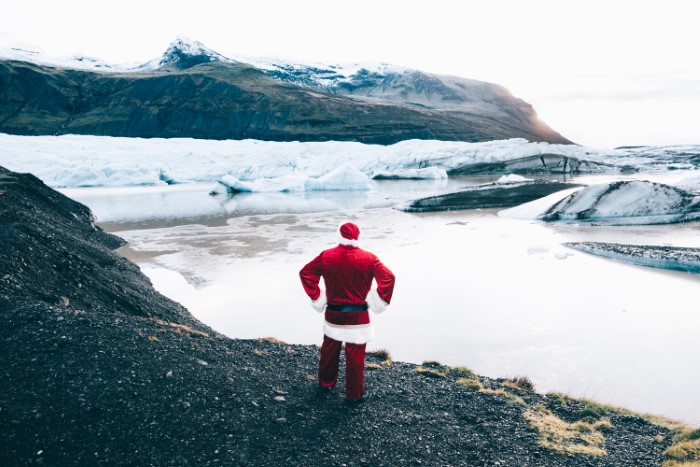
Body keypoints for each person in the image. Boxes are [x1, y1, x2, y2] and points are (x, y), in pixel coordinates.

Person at [299, 221, 395, 402]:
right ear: (359, 237)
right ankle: (354, 394)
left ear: (339, 236)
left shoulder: (326, 256)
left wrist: (318, 296)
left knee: (329, 350)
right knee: (355, 356)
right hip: (358, 317)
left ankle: (326, 383)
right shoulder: (369, 258)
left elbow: (306, 273)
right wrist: (376, 300)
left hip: (334, 314)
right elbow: (389, 277)